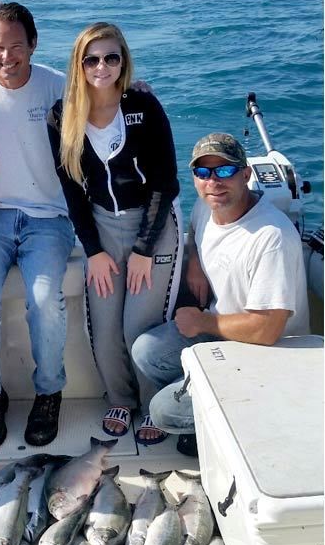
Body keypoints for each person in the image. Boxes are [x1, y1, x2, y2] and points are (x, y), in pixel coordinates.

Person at [132, 133, 310, 455]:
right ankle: (214, 411)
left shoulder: (272, 237)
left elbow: (266, 329)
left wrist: (202, 322)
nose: (213, 181)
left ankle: (247, 417)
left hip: (268, 357)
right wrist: (195, 263)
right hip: (223, 336)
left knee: (163, 411)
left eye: (224, 171)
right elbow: (193, 234)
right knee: (146, 350)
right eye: (203, 173)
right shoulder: (206, 208)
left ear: (246, 175)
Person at [47, 22, 182, 447]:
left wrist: (143, 249)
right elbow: (70, 191)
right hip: (102, 228)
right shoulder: (61, 115)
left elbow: (165, 181)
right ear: (79, 64)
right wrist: (93, 251)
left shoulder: (143, 105)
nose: (101, 66)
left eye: (111, 57)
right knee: (104, 331)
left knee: (136, 329)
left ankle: (154, 404)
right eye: (92, 59)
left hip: (153, 230)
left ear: (123, 61)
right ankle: (121, 399)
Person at [0, 1, 76, 449]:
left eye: (16, 47)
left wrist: (135, 93)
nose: (6, 57)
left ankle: (50, 393)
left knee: (45, 300)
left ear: (33, 45)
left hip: (50, 218)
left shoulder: (57, 86)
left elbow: (104, 107)